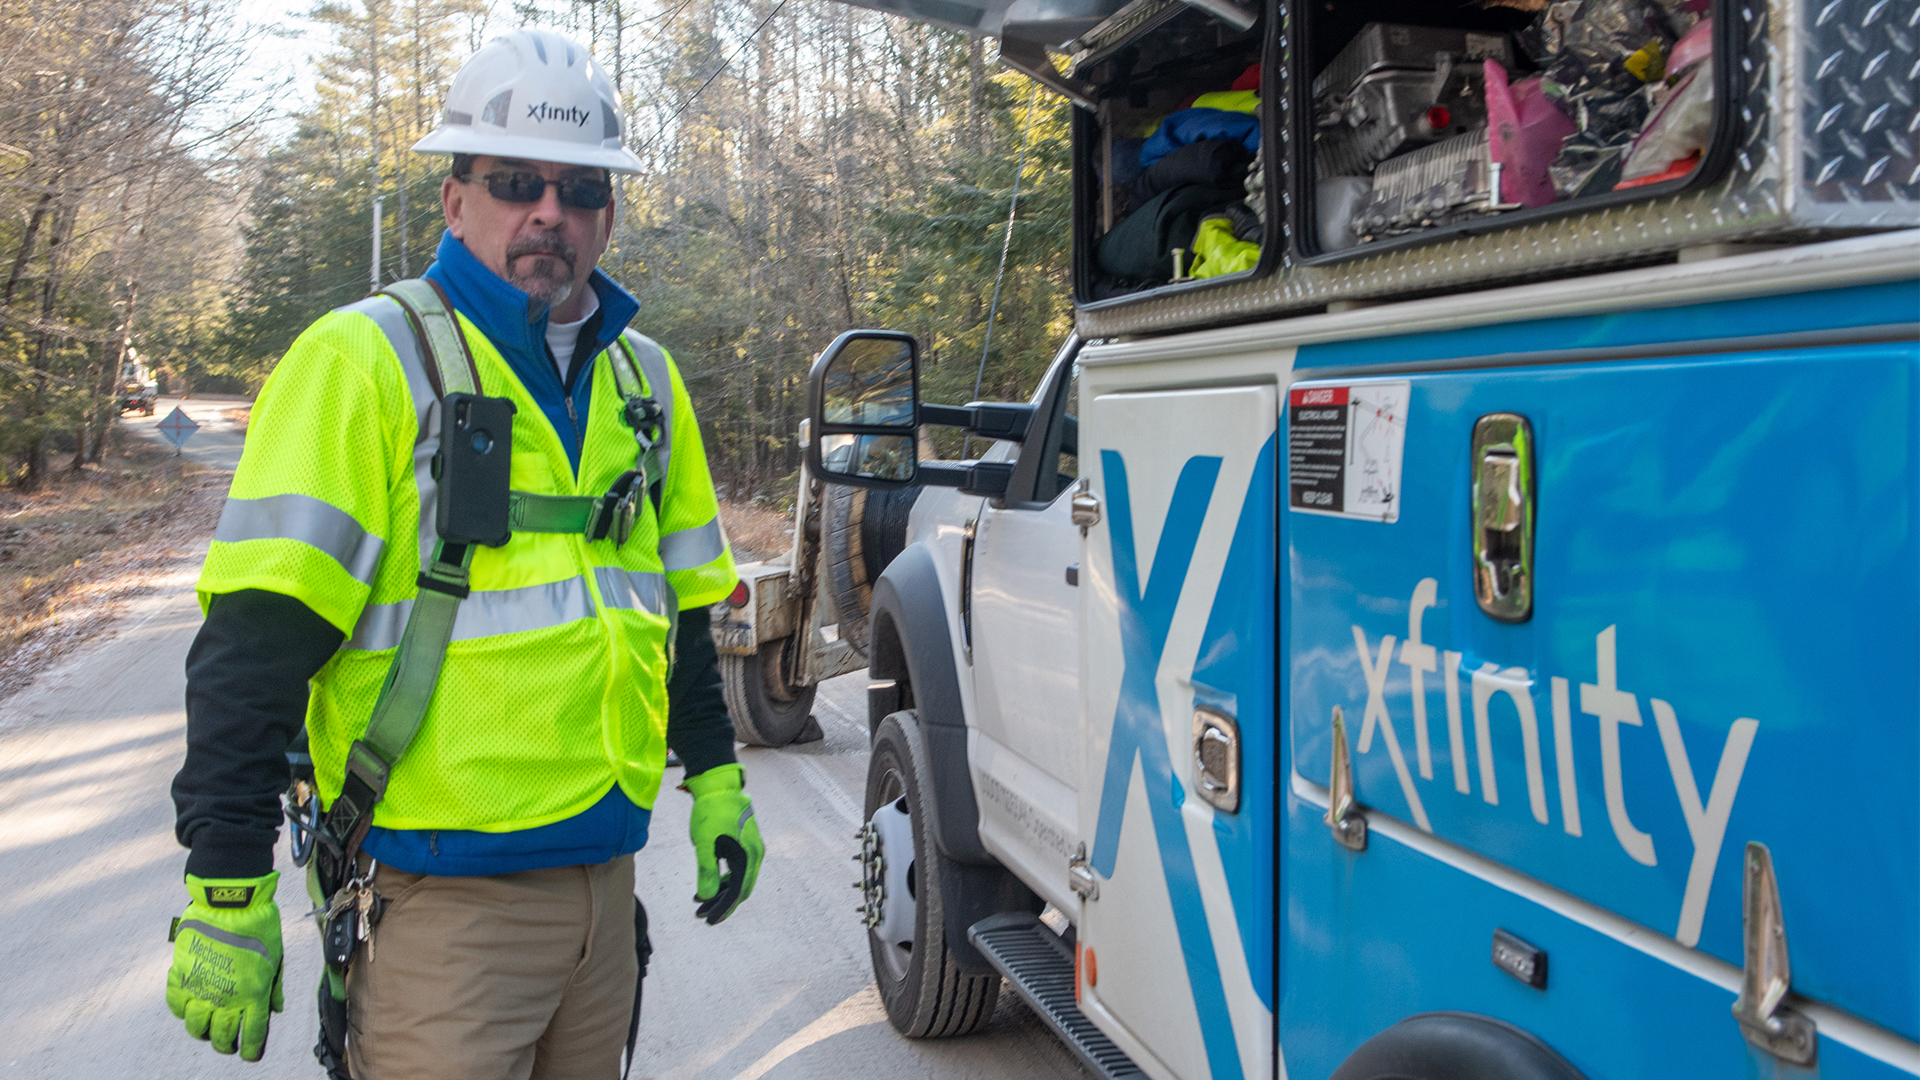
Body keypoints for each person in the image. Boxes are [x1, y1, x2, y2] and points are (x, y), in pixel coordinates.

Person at [164, 28, 764, 1078]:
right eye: (515, 181)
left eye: (580, 189)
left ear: (608, 213)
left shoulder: (646, 385)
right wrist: (226, 885)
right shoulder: (362, 362)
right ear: (455, 199)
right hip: (439, 912)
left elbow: (677, 617)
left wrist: (717, 781)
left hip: (603, 892)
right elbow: (250, 648)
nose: (550, 210)